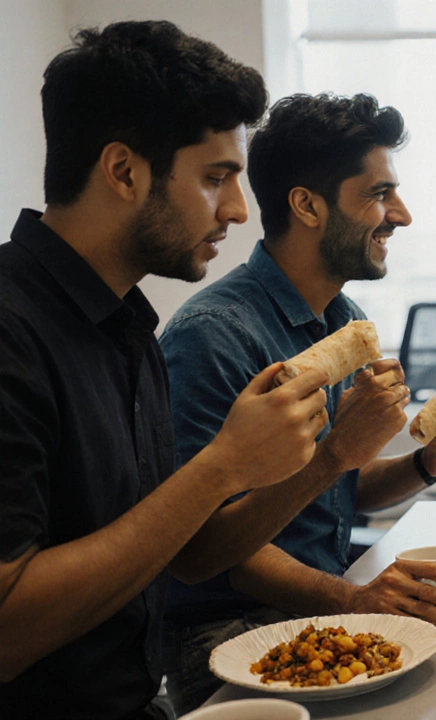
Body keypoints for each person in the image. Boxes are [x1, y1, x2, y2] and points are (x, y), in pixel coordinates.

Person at [0, 21, 331, 720]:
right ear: (124, 171)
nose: (239, 211)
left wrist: (276, 464)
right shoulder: (11, 332)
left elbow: (187, 557)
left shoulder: (126, 326)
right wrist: (219, 467)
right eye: (216, 178)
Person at [158, 93, 436, 713]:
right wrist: (351, 600)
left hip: (320, 607)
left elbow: (342, 490)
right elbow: (204, 551)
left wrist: (427, 463)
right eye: (378, 195)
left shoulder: (344, 319)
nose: (402, 215)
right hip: (227, 636)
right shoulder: (212, 336)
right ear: (307, 205)